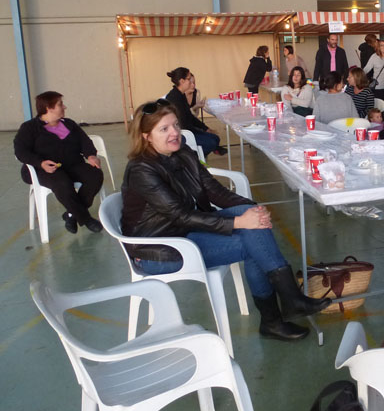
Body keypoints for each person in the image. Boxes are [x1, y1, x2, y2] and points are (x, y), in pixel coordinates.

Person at [121, 100, 330, 341]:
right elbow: (180, 215)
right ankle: (278, 314)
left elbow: (213, 190)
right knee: (252, 244)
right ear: (146, 136)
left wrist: (253, 209)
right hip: (160, 248)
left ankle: (288, 303)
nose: (175, 133)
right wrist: (239, 223)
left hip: (184, 230)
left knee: (252, 220)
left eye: (176, 125)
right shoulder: (142, 170)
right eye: (164, 129)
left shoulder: (182, 152)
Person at [14, 91, 104, 233]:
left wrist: (91, 155)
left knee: (95, 175)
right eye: (60, 104)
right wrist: (41, 163)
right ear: (49, 108)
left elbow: (85, 142)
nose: (64, 107)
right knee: (62, 182)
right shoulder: (29, 128)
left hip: (72, 164)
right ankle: (86, 219)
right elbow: (21, 151)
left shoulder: (69, 124)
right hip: (44, 169)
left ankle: (71, 214)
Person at [164, 67, 225, 156]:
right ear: (182, 81)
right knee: (211, 143)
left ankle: (200, 155)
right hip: (181, 134)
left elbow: (190, 117)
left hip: (189, 129)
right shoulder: (174, 98)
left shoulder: (181, 95)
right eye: (189, 79)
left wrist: (206, 128)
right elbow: (183, 124)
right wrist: (200, 131)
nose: (191, 82)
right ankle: (192, 158)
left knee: (215, 138)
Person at [363, 39, 384, 115]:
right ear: (378, 47)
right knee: (380, 109)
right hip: (379, 87)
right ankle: (381, 122)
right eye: (382, 45)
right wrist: (358, 76)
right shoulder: (374, 57)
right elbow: (366, 69)